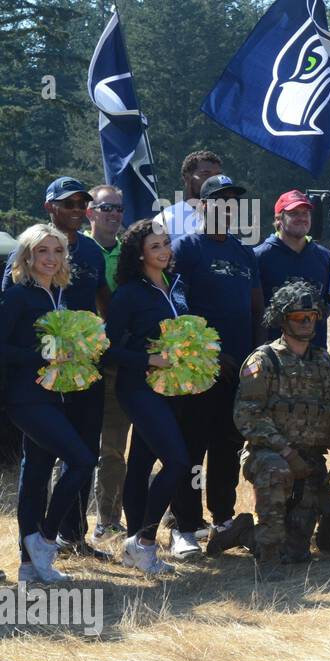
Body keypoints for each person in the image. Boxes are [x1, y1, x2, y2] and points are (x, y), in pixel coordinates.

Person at [2, 177, 110, 560]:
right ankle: (38, 543)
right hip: (30, 391)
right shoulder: (19, 286)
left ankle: (61, 544)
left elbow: (103, 305)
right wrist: (41, 359)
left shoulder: (87, 261)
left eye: (83, 203)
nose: (78, 209)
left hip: (75, 383)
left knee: (77, 456)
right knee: (43, 466)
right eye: (69, 203)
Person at [234, 282, 330, 576]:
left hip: (311, 462)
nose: (305, 322)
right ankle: (267, 557)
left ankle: (243, 534)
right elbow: (246, 416)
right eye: (298, 316)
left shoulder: (325, 364)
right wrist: (287, 453)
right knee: (277, 471)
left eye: (312, 316)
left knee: (297, 551)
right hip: (269, 456)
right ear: (282, 319)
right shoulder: (264, 361)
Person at [169, 173, 263, 558]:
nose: (226, 206)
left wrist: (252, 357)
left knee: (226, 449)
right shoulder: (186, 248)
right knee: (191, 451)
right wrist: (210, 353)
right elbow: (177, 306)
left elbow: (257, 310)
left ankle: (222, 520)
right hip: (199, 370)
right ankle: (184, 527)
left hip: (237, 373)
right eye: (218, 199)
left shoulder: (244, 254)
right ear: (201, 206)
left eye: (233, 200)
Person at [103, 219, 190, 574]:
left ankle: (136, 547)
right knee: (178, 463)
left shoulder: (176, 286)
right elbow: (105, 351)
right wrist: (148, 359)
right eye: (155, 246)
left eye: (166, 243)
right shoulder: (128, 294)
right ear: (139, 254)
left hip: (170, 389)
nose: (164, 251)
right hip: (137, 388)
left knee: (140, 462)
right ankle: (145, 542)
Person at [86, 184, 128, 543]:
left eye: (118, 209)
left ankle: (109, 520)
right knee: (72, 446)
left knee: (113, 446)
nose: (113, 215)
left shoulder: (129, 253)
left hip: (118, 363)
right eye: (106, 209)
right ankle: (64, 529)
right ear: (90, 212)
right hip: (79, 363)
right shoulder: (76, 251)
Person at [255, 190, 330, 350]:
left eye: (306, 213)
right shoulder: (259, 257)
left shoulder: (324, 258)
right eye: (294, 213)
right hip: (273, 360)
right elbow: (255, 311)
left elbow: (327, 307)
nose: (302, 218)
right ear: (278, 219)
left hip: (315, 360)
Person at [157, 150, 223, 240]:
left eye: (218, 175)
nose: (213, 180)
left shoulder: (224, 216)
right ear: (187, 177)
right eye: (206, 174)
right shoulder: (166, 219)